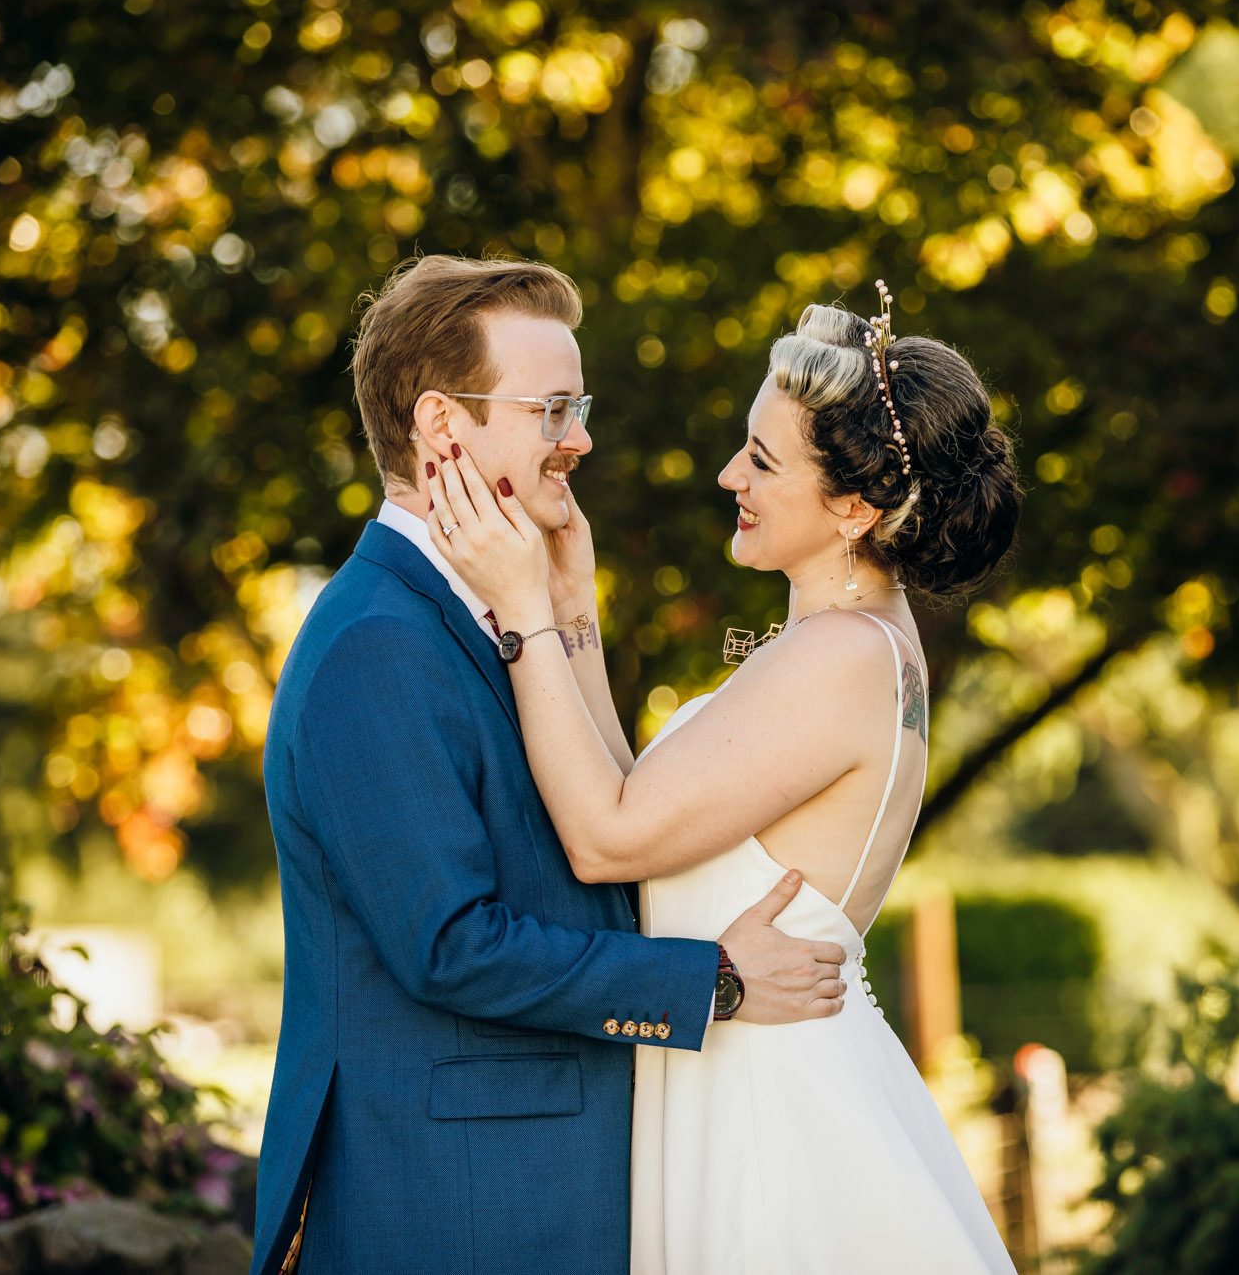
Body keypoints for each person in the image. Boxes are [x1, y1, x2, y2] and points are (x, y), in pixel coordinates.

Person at [250, 255, 848, 1275]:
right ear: (443, 427)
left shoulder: (480, 614)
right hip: (453, 1201)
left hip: (521, 1186)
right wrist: (714, 982)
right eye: (552, 409)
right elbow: (450, 943)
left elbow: (605, 828)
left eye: (579, 405)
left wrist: (569, 616)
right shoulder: (375, 643)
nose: (578, 439)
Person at [430, 286, 1024, 1274]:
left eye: (760, 458)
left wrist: (521, 605)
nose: (726, 473)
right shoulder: (854, 643)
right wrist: (572, 606)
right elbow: (637, 811)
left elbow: (602, 839)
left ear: (852, 505)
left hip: (770, 1122)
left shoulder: (837, 656)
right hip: (746, 1079)